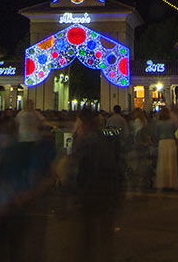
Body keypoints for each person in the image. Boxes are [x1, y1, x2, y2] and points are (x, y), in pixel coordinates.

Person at [69, 108, 124, 257]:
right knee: (105, 232)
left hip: (91, 191)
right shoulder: (107, 138)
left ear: (84, 124)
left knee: (88, 232)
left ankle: (89, 254)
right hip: (107, 191)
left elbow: (77, 165)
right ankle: (106, 255)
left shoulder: (86, 141)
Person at [154, 107, 178, 191]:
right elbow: (176, 132)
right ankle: (171, 183)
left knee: (162, 163)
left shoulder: (158, 123)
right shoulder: (172, 122)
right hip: (171, 142)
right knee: (171, 163)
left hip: (162, 142)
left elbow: (156, 134)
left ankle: (162, 183)